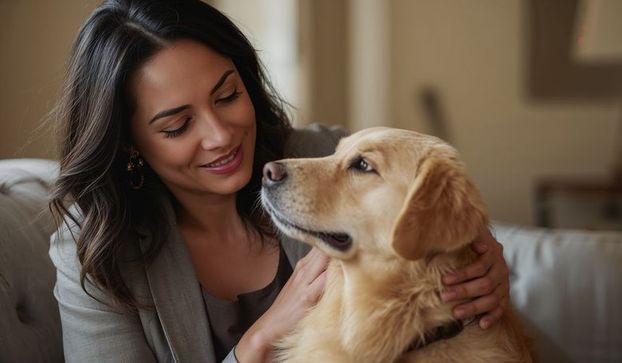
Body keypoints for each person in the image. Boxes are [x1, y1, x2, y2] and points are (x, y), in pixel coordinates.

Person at [48, 1, 511, 362]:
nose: (220, 135)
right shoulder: (93, 251)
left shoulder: (315, 155)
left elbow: (420, 204)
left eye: (227, 96)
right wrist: (264, 338)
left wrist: (480, 259)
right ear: (129, 142)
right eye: (177, 126)